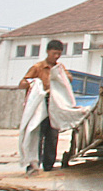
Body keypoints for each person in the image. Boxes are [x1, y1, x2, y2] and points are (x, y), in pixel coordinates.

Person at [18, 39, 84, 173]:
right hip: (40, 105)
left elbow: (68, 79)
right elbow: (23, 82)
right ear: (48, 52)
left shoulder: (59, 68)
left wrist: (64, 76)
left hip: (54, 105)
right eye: (54, 53)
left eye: (59, 54)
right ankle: (33, 164)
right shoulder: (37, 67)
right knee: (36, 133)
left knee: (52, 135)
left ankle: (48, 166)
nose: (56, 56)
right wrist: (30, 84)